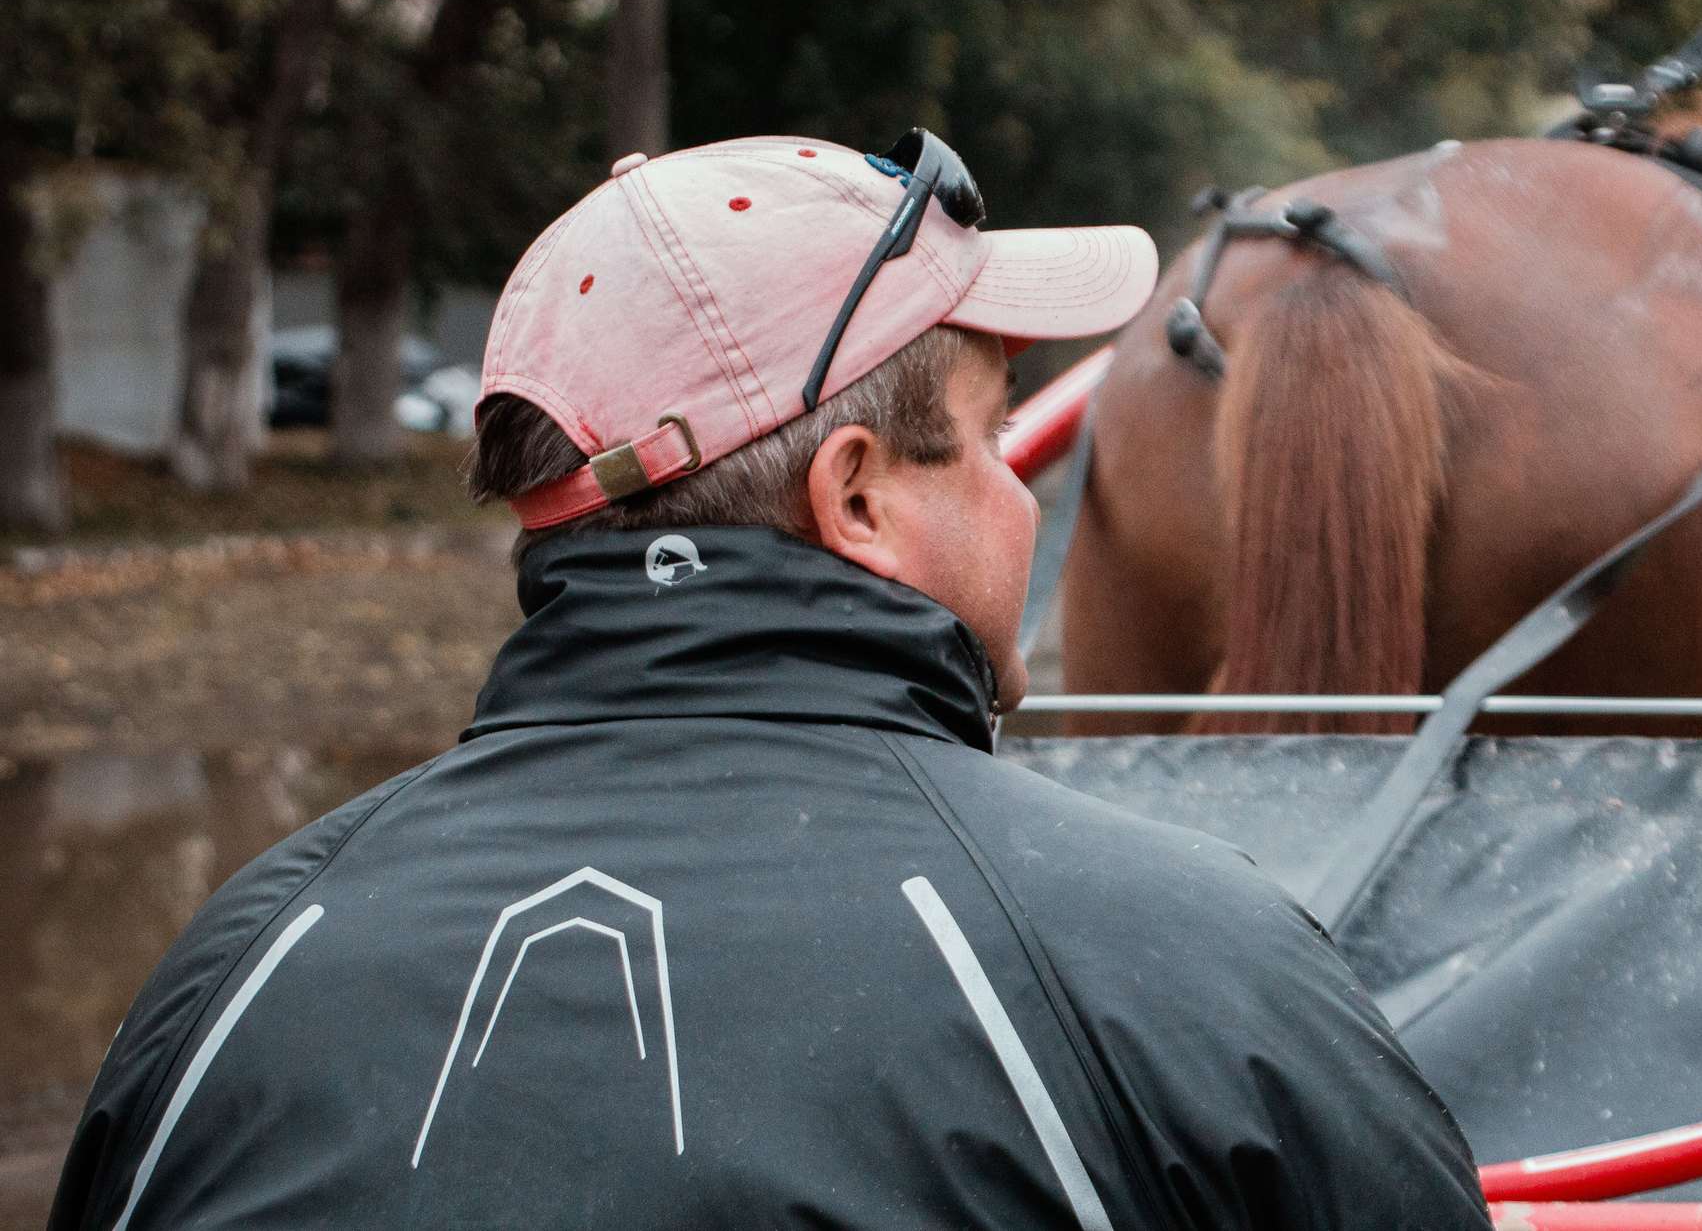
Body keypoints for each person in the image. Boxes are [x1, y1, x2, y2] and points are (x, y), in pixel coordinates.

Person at [49, 135, 1493, 1231]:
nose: (1023, 501)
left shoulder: (232, 987)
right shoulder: (1184, 977)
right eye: (989, 442)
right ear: (854, 495)